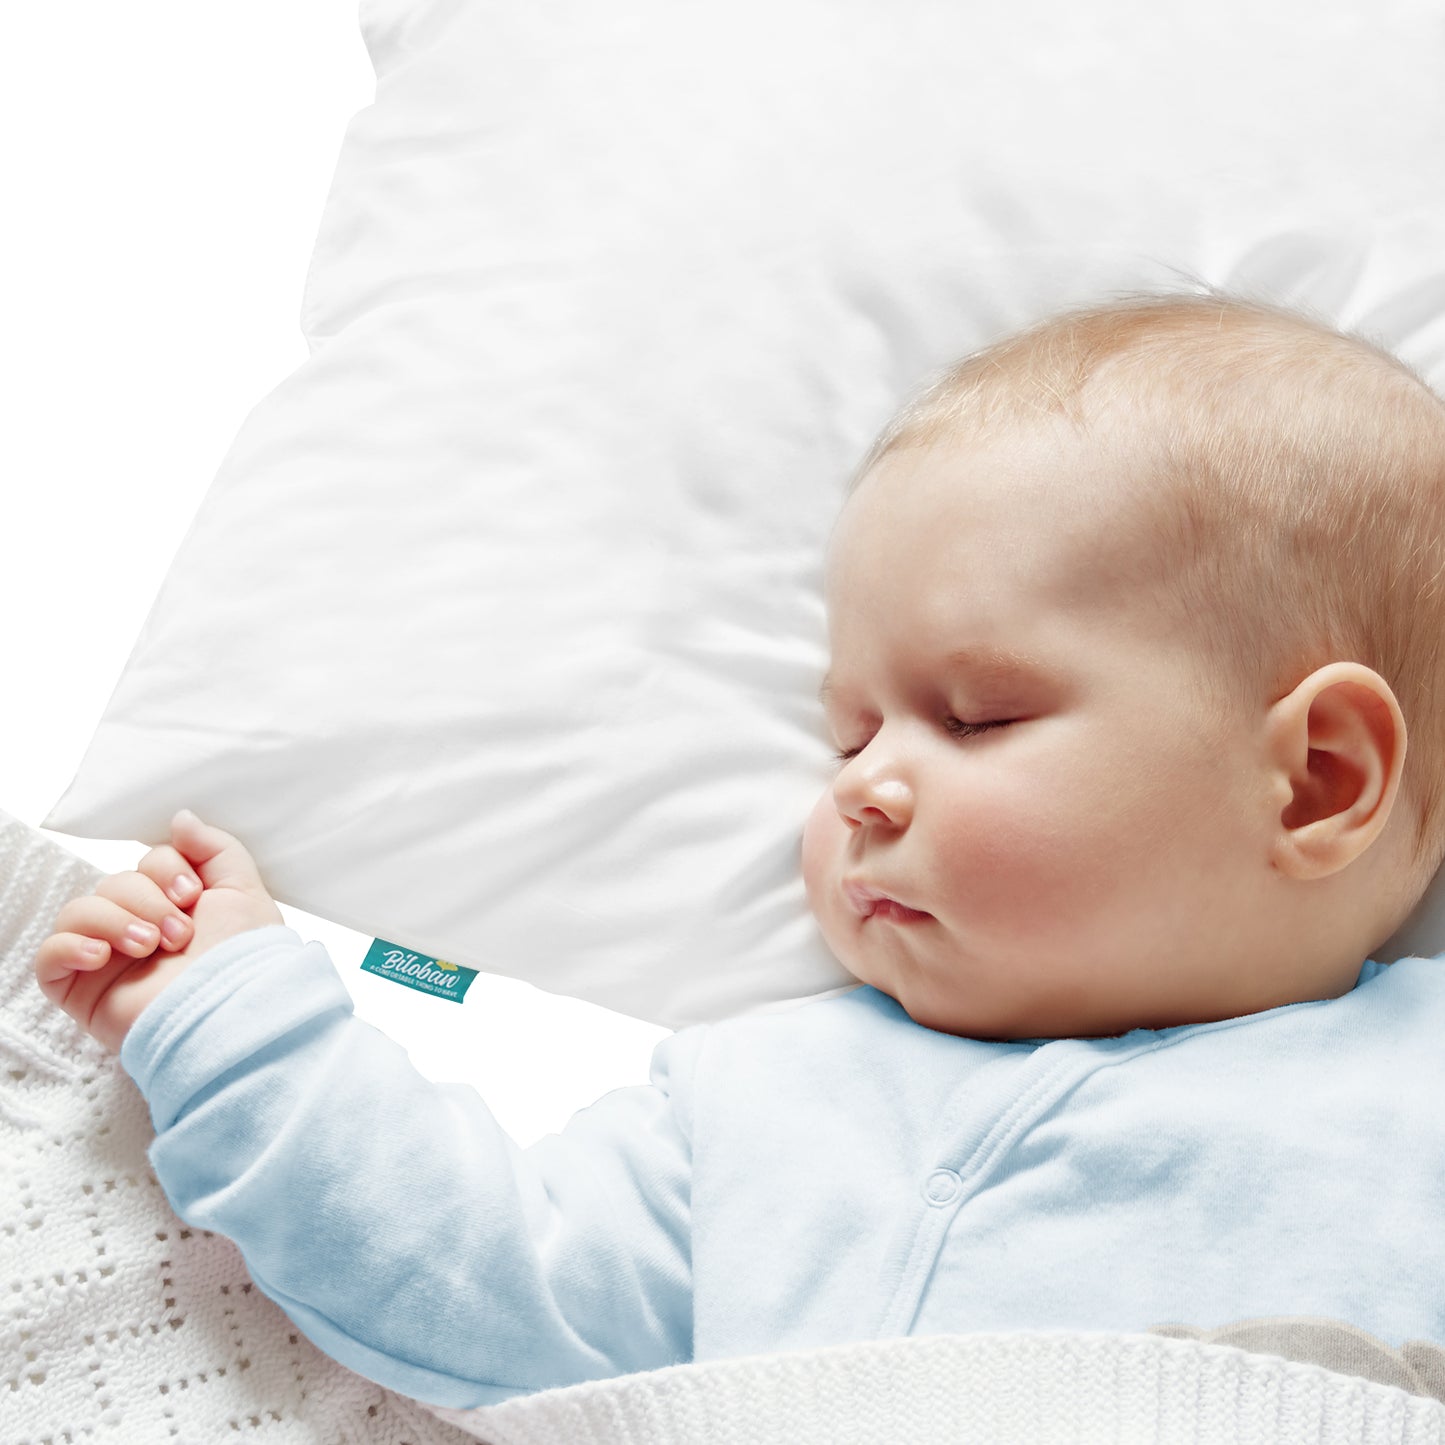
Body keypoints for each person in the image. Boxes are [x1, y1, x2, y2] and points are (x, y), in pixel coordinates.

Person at [33, 291, 1445, 1409]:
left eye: (975, 716)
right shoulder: (769, 1106)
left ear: (1315, 782)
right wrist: (236, 1018)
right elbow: (481, 1275)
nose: (865, 788)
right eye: (847, 736)